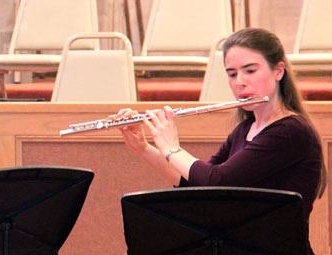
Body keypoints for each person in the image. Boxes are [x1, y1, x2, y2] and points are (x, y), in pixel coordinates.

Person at [114, 28, 325, 253]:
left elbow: (217, 181)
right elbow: (198, 185)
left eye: (250, 70)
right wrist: (144, 148)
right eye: (232, 74)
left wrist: (172, 149)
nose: (239, 82)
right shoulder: (245, 129)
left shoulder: (290, 132)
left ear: (278, 71)